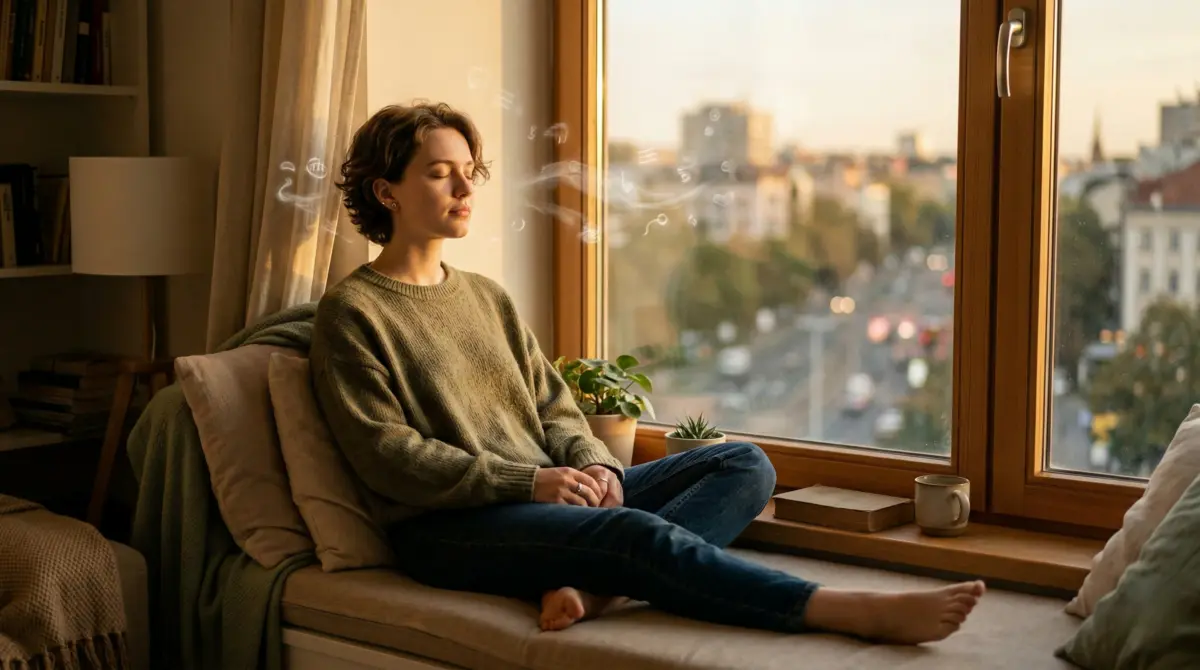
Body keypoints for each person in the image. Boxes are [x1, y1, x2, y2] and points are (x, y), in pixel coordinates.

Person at [309, 102, 984, 643]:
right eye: (439, 173)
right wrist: (532, 480)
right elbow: (390, 458)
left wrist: (592, 463)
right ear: (385, 191)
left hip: (546, 493)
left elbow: (553, 405)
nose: (464, 188)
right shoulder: (353, 312)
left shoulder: (485, 294)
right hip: (450, 527)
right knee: (631, 534)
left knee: (743, 464)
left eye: (470, 172)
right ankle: (838, 609)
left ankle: (597, 590)